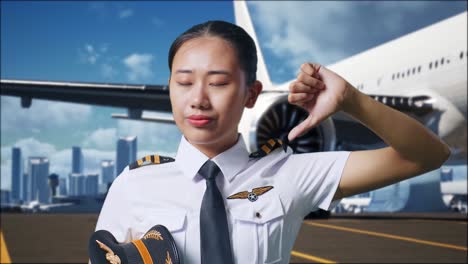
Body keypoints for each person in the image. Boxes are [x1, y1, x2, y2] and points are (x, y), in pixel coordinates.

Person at [94, 20, 450, 264]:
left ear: (252, 94)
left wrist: (351, 100)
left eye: (218, 83)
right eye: (183, 82)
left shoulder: (289, 173)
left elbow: (427, 156)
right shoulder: (133, 184)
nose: (198, 99)